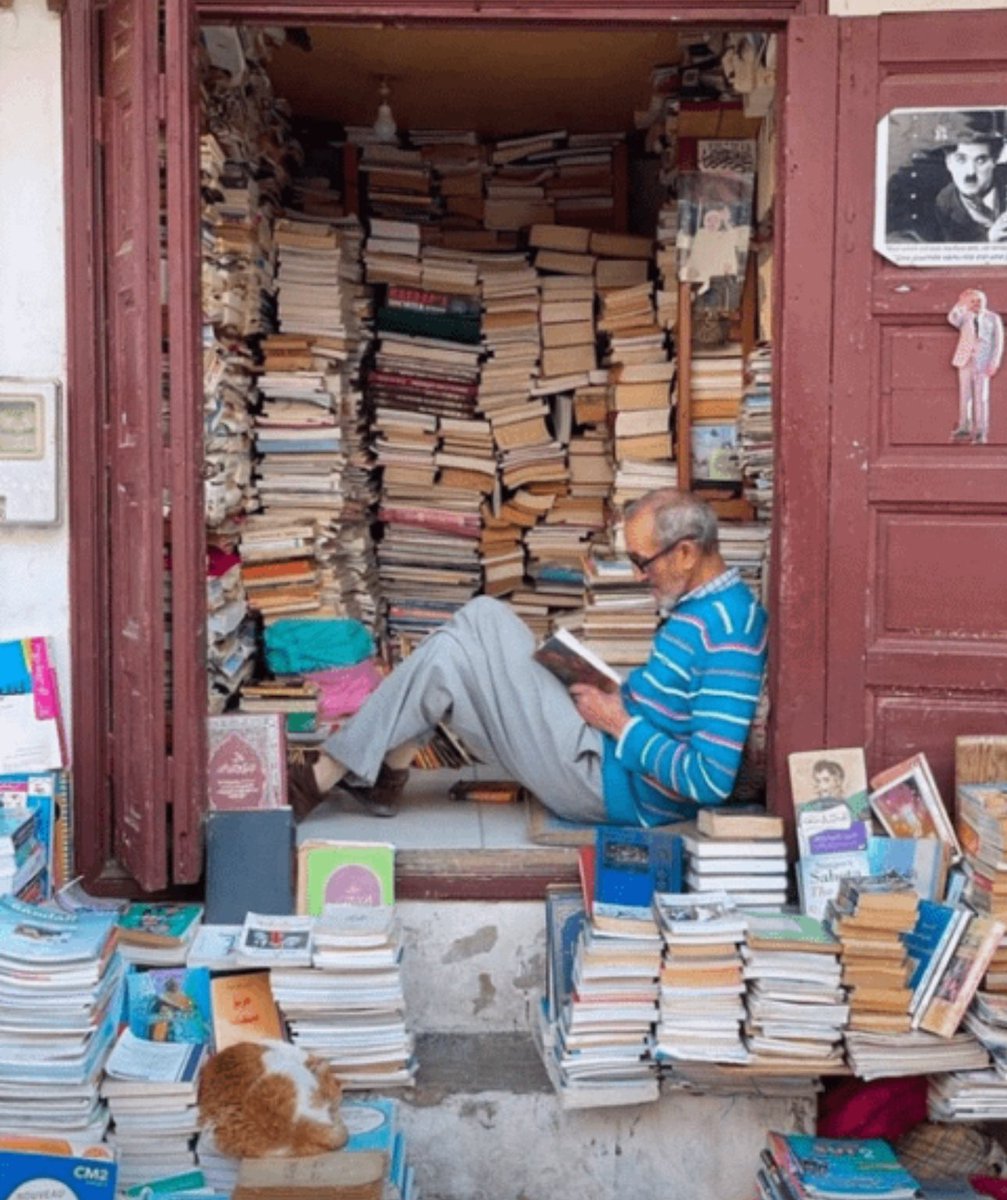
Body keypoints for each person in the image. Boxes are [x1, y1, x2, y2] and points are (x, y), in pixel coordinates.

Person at [288, 489, 768, 827]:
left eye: (643, 562)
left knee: (482, 618)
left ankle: (340, 772)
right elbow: (671, 706)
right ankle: (379, 776)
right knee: (452, 656)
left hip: (607, 782)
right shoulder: (702, 609)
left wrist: (619, 723)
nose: (640, 577)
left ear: (686, 553)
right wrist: (612, 690)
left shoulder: (728, 633)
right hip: (603, 748)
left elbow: (708, 779)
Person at [933, 115, 1007, 244]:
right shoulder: (944, 202)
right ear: (948, 163)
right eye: (961, 160)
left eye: (981, 160)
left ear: (994, 161)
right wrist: (989, 240)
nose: (970, 172)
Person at [948, 287, 1003, 445]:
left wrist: (994, 362)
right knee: (965, 395)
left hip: (983, 361)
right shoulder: (964, 316)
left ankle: (981, 430)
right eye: (973, 301)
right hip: (965, 360)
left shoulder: (993, 318)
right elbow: (952, 318)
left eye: (979, 300)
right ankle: (965, 425)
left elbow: (998, 343)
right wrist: (961, 303)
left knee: (982, 397)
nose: (976, 304)